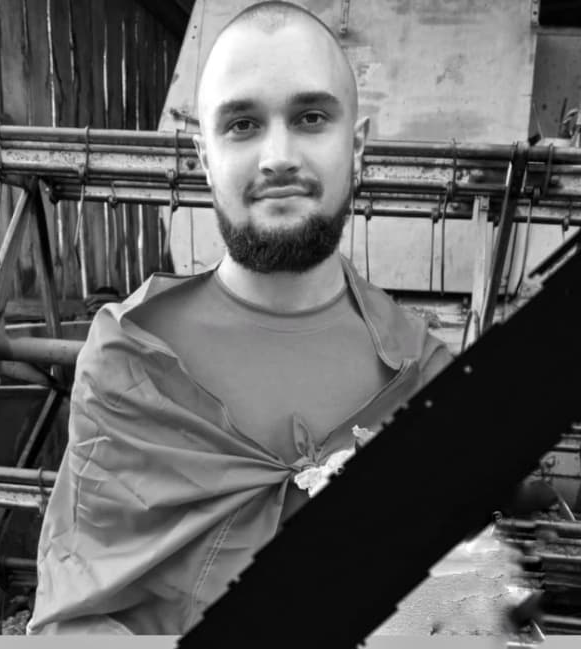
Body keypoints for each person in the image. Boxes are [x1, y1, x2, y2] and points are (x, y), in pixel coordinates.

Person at [27, 1, 452, 635]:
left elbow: (454, 613)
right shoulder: (130, 358)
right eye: (243, 124)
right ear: (204, 156)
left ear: (356, 145)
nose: (278, 156)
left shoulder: (426, 376)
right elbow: (75, 618)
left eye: (310, 118)